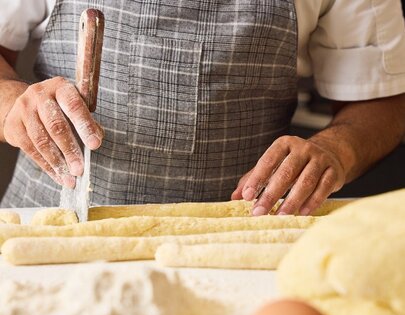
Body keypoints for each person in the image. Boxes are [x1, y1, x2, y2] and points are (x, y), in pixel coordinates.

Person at [0, 0, 405, 216]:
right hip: (50, 222)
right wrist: (13, 106)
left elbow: (383, 100)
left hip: (237, 233)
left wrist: (337, 149)